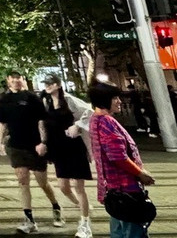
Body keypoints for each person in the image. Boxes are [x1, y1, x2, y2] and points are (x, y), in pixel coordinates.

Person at [0, 71, 62, 234]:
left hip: (34, 145)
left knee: (42, 182)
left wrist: (43, 142)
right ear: (8, 81)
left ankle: (55, 206)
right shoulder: (4, 100)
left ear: (22, 80)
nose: (17, 81)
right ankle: (29, 219)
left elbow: (41, 121)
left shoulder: (32, 98)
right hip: (16, 146)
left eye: (19, 78)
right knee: (22, 181)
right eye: (14, 79)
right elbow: (2, 124)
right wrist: (0, 143)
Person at [89, 81, 156, 238]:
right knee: (133, 231)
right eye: (115, 98)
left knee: (119, 230)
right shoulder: (106, 122)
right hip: (126, 189)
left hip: (113, 190)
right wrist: (140, 173)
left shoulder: (96, 119)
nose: (119, 101)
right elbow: (118, 157)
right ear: (103, 100)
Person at [42, 75, 93, 238]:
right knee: (63, 186)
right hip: (58, 148)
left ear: (58, 84)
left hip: (74, 147)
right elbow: (42, 123)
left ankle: (85, 223)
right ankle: (81, 206)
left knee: (79, 187)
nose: (48, 86)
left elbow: (90, 111)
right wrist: (43, 142)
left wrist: (77, 126)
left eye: (50, 84)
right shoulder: (46, 102)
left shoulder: (69, 100)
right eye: (46, 84)